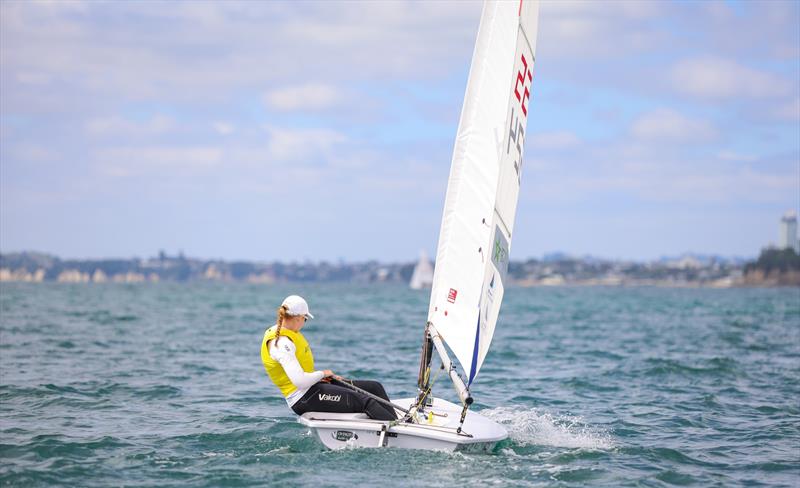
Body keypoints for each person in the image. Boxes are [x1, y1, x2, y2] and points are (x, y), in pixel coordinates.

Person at [261, 295, 397, 421]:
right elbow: (300, 382)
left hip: (313, 387)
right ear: (298, 318)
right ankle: (397, 434)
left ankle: (401, 424)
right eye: (305, 319)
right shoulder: (281, 344)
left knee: (374, 388)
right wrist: (323, 373)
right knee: (366, 401)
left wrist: (321, 377)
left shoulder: (287, 332)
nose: (304, 323)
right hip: (303, 398)